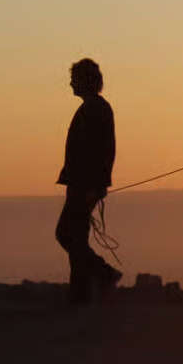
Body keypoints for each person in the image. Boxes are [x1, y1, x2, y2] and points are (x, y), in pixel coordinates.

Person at [55, 58, 120, 304]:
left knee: (67, 234)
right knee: (75, 236)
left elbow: (104, 151)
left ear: (85, 81)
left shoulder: (96, 109)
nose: (71, 83)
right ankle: (81, 293)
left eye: (75, 79)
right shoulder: (93, 108)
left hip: (85, 185)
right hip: (81, 183)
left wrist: (96, 185)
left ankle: (103, 275)